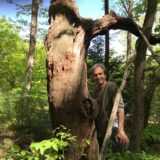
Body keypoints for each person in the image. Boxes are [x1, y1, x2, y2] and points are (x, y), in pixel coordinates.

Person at [90, 63, 129, 150]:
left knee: (115, 154)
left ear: (105, 74)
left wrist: (120, 130)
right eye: (95, 75)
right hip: (101, 130)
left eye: (100, 74)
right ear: (92, 77)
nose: (98, 77)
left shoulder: (112, 86)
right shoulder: (95, 90)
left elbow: (120, 108)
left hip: (113, 129)